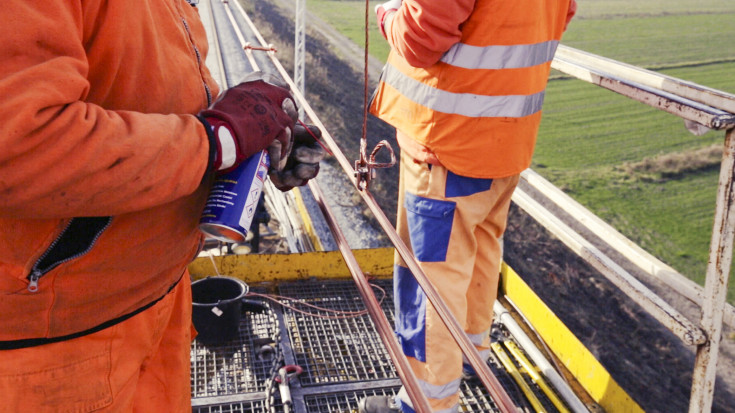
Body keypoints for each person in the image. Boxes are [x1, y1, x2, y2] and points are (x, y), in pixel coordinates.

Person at [0, 1, 323, 411]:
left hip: (158, 298)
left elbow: (141, 90)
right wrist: (216, 142)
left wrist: (248, 148)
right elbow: (19, 147)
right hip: (55, 346)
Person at [361, 0, 577, 411]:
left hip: (449, 146)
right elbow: (559, 17)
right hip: (505, 142)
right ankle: (472, 357)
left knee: (432, 281)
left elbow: (417, 38)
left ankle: (428, 401)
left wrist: (388, 10)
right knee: (478, 250)